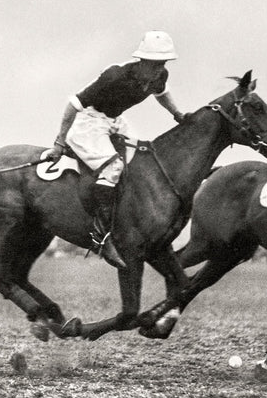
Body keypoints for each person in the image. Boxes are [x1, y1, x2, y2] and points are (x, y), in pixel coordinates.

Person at [43, 31, 185, 268]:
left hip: (115, 120)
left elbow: (161, 93)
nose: (160, 68)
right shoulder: (115, 76)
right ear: (142, 60)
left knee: (143, 159)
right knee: (113, 167)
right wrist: (59, 143)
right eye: (155, 63)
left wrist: (177, 114)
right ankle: (100, 237)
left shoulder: (160, 75)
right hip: (89, 121)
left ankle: (131, 220)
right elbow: (73, 105)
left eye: (163, 63)